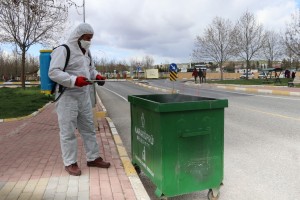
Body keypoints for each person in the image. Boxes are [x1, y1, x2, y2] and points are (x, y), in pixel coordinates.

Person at [48, 23, 110, 176]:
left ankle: (93, 158)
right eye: (87, 38)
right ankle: (70, 163)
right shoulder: (63, 50)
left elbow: (90, 69)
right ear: (79, 36)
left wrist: (97, 76)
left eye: (91, 38)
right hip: (67, 97)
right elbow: (53, 72)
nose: (89, 41)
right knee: (68, 131)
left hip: (83, 97)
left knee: (88, 129)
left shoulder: (87, 52)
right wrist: (74, 80)